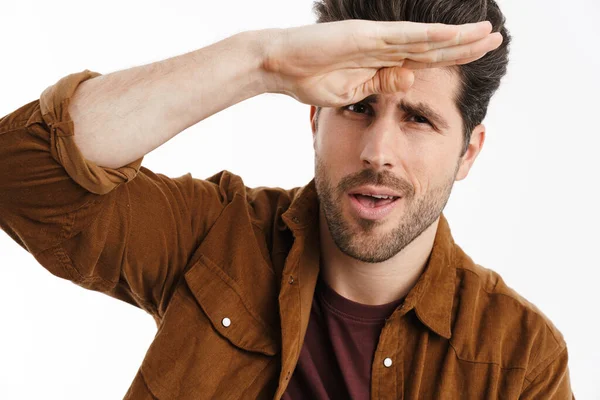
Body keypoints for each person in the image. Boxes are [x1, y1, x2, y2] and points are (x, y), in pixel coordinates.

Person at [0, 0, 574, 398]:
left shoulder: (520, 360)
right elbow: (22, 176)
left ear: (469, 153)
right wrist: (260, 62)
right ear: (314, 118)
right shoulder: (218, 237)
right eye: (357, 107)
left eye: (418, 119)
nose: (378, 151)